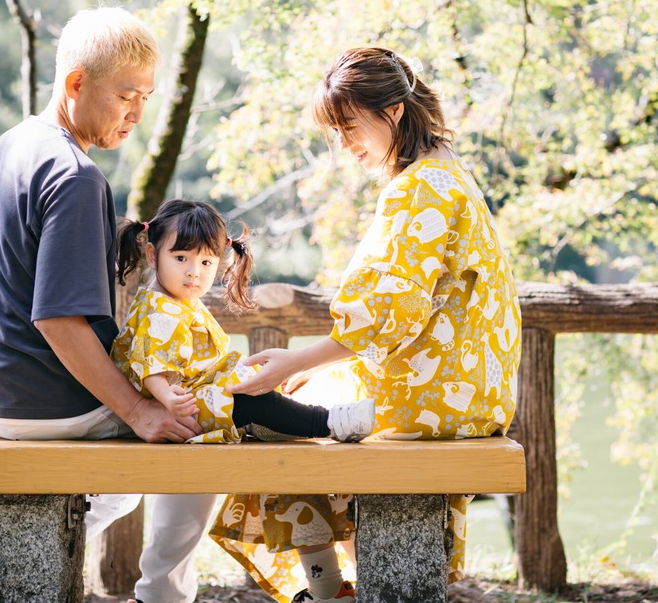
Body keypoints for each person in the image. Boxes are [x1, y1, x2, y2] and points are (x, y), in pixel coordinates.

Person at [208, 47, 523, 603]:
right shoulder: (451, 173)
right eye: (337, 131)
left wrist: (296, 360)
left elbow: (388, 315)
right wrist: (314, 368)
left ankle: (333, 593)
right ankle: (349, 585)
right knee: (305, 392)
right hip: (468, 385)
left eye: (350, 126)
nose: (345, 144)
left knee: (265, 420)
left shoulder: (419, 189)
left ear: (395, 111)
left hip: (435, 397)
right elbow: (418, 320)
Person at [0, 7, 215, 603]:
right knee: (202, 437)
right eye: (125, 95)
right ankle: (162, 596)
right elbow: (58, 320)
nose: (137, 113)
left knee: (144, 449)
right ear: (75, 83)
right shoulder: (75, 175)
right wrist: (141, 411)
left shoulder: (9, 145)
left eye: (146, 97)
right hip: (44, 401)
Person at [110, 198, 376, 445]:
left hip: (195, 394)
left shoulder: (177, 298)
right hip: (180, 406)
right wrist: (167, 397)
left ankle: (272, 423)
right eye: (181, 258)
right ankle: (326, 422)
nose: (194, 272)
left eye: (205, 262)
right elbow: (150, 364)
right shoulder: (157, 309)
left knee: (253, 387)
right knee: (247, 400)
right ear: (153, 255)